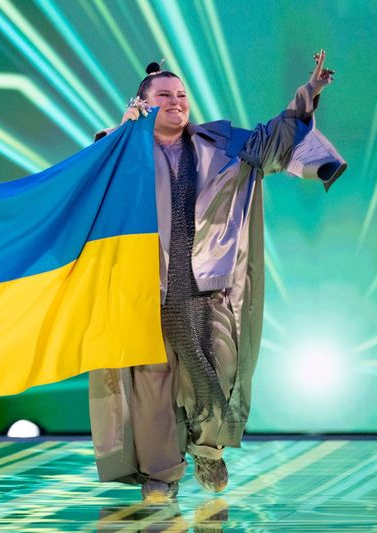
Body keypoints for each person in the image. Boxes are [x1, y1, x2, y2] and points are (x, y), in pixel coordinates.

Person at [88, 51, 346, 501]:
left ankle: (208, 449)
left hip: (207, 290)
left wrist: (308, 94)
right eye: (164, 96)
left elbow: (271, 142)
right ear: (142, 103)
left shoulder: (219, 145)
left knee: (214, 377)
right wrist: (126, 136)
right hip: (145, 293)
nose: (176, 102)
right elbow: (88, 187)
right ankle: (162, 472)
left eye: (182, 95)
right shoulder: (118, 150)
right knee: (152, 385)